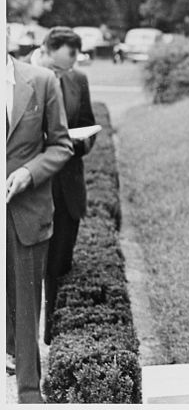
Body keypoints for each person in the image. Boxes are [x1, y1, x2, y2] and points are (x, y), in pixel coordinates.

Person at [6, 48, 73, 403]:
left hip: (25, 212)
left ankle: (29, 394)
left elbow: (61, 146)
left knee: (26, 307)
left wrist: (28, 173)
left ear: (7, 33)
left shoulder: (43, 80)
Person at [31, 27, 97, 345]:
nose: (64, 71)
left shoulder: (78, 80)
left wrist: (76, 144)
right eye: (59, 66)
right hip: (34, 188)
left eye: (69, 64)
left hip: (68, 188)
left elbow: (88, 122)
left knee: (59, 267)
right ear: (46, 50)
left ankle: (52, 339)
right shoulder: (21, 79)